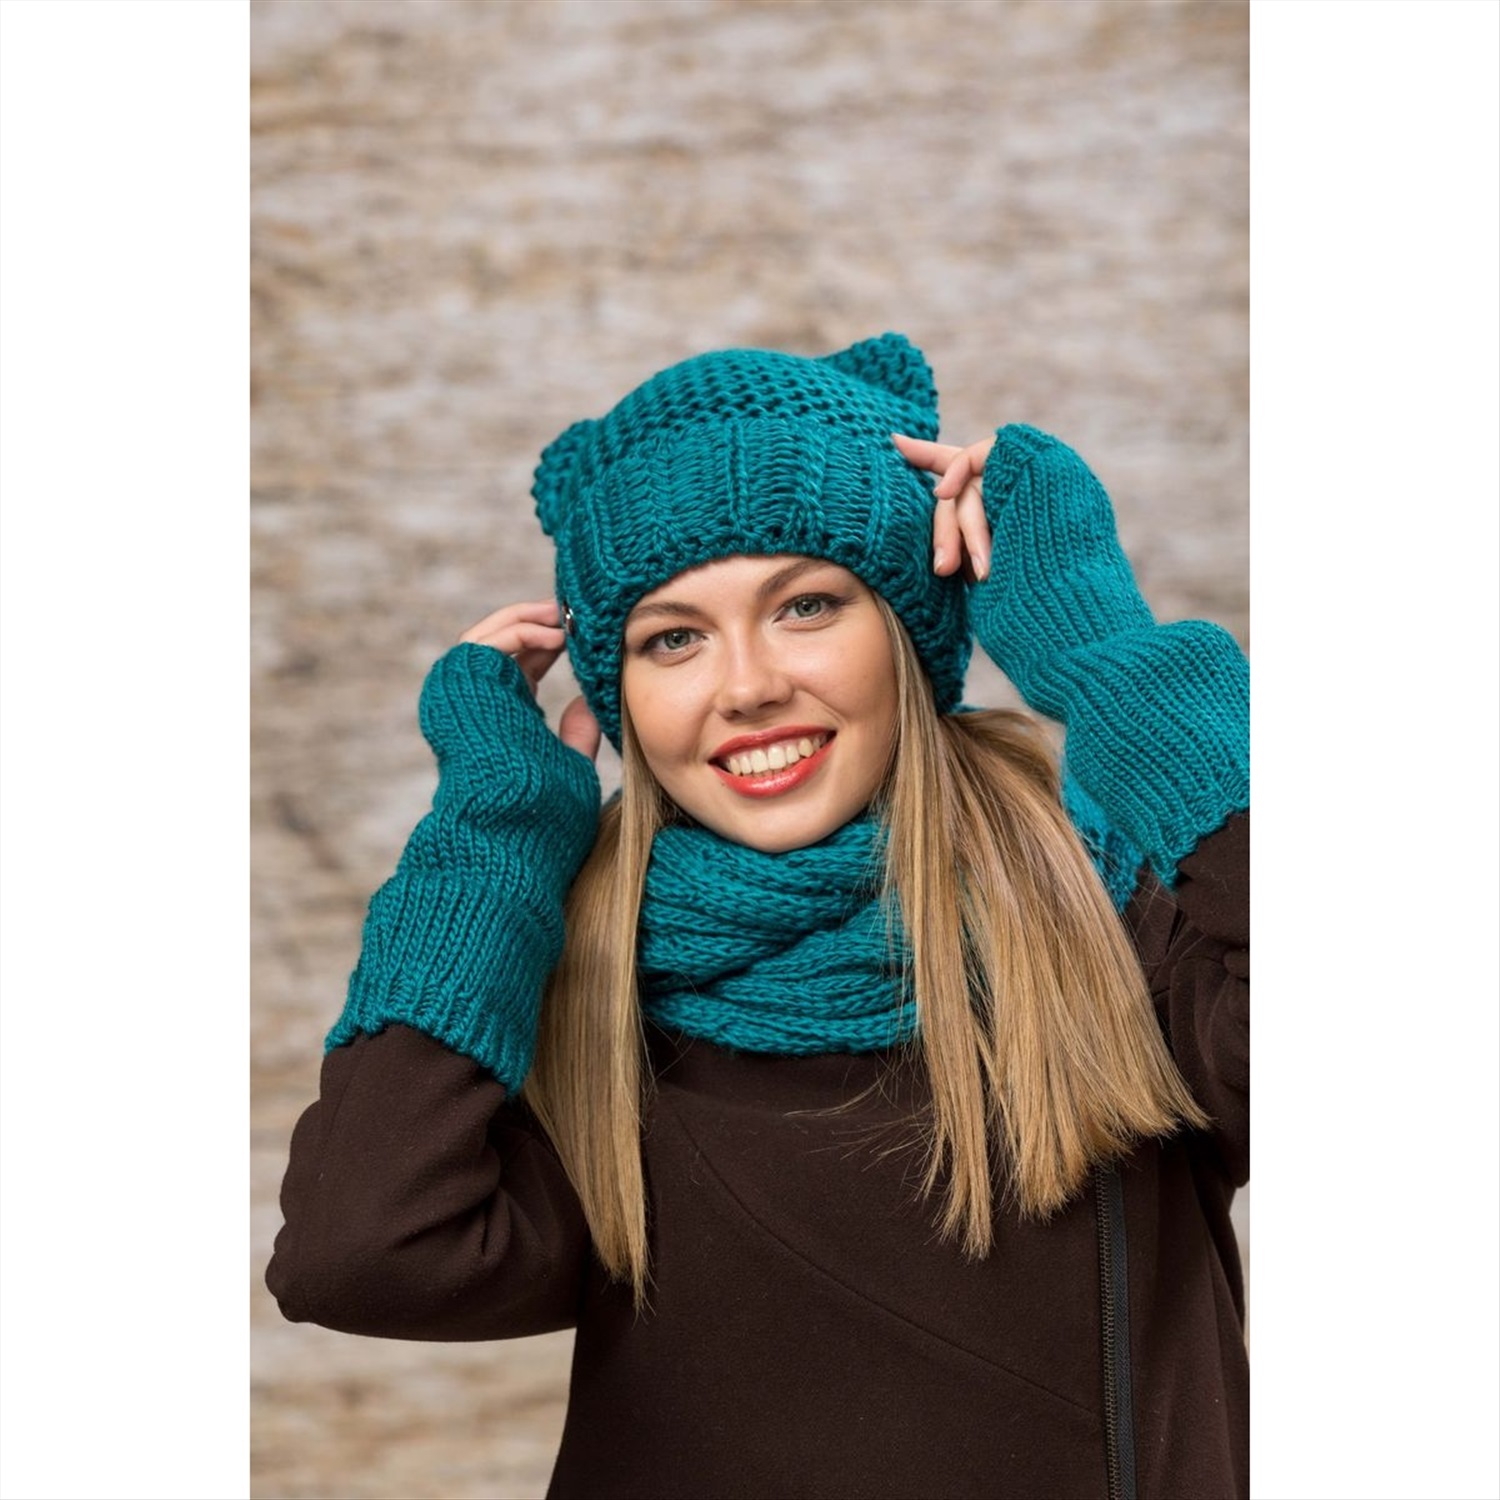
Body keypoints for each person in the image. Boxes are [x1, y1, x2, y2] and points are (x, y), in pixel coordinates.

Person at [266, 333, 1249, 1500]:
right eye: (673, 637)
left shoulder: (1111, 917)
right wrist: (494, 838)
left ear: (911, 630)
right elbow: (360, 1253)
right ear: (621, 695)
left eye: (807, 605)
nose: (747, 687)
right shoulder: (587, 1000)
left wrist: (1107, 652)